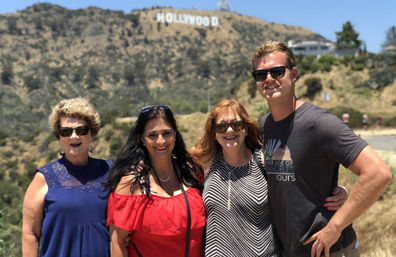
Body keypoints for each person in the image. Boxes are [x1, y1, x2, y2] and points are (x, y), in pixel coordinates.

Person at [251, 41, 392, 257]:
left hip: (330, 249)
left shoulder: (318, 123)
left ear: (293, 74)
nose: (269, 79)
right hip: (290, 250)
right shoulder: (265, 125)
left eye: (277, 71)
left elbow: (378, 173)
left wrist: (335, 227)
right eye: (261, 75)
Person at [190, 99, 348, 257]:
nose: (229, 131)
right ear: (214, 132)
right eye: (222, 126)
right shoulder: (205, 163)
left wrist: (339, 191)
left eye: (236, 124)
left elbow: (300, 182)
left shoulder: (263, 160)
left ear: (246, 128)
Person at [104, 104, 206, 257]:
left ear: (175, 134)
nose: (161, 141)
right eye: (152, 135)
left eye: (166, 133)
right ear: (142, 139)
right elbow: (118, 243)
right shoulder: (131, 184)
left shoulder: (191, 171)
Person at [22, 98, 112, 257]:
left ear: (92, 134)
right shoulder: (44, 178)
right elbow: (30, 234)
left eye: (81, 130)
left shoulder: (110, 171)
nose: (74, 136)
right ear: (59, 137)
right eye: (66, 131)